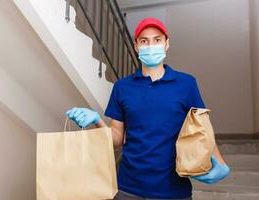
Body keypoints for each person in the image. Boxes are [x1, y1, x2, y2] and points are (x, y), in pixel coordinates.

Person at [66, 17, 230, 200]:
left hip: (174, 191)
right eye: (144, 41)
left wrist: (220, 162)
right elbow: (117, 140)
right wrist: (96, 120)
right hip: (128, 189)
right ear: (136, 46)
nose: (151, 46)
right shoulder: (122, 87)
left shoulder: (186, 84)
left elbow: (203, 129)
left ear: (167, 44)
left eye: (157, 40)